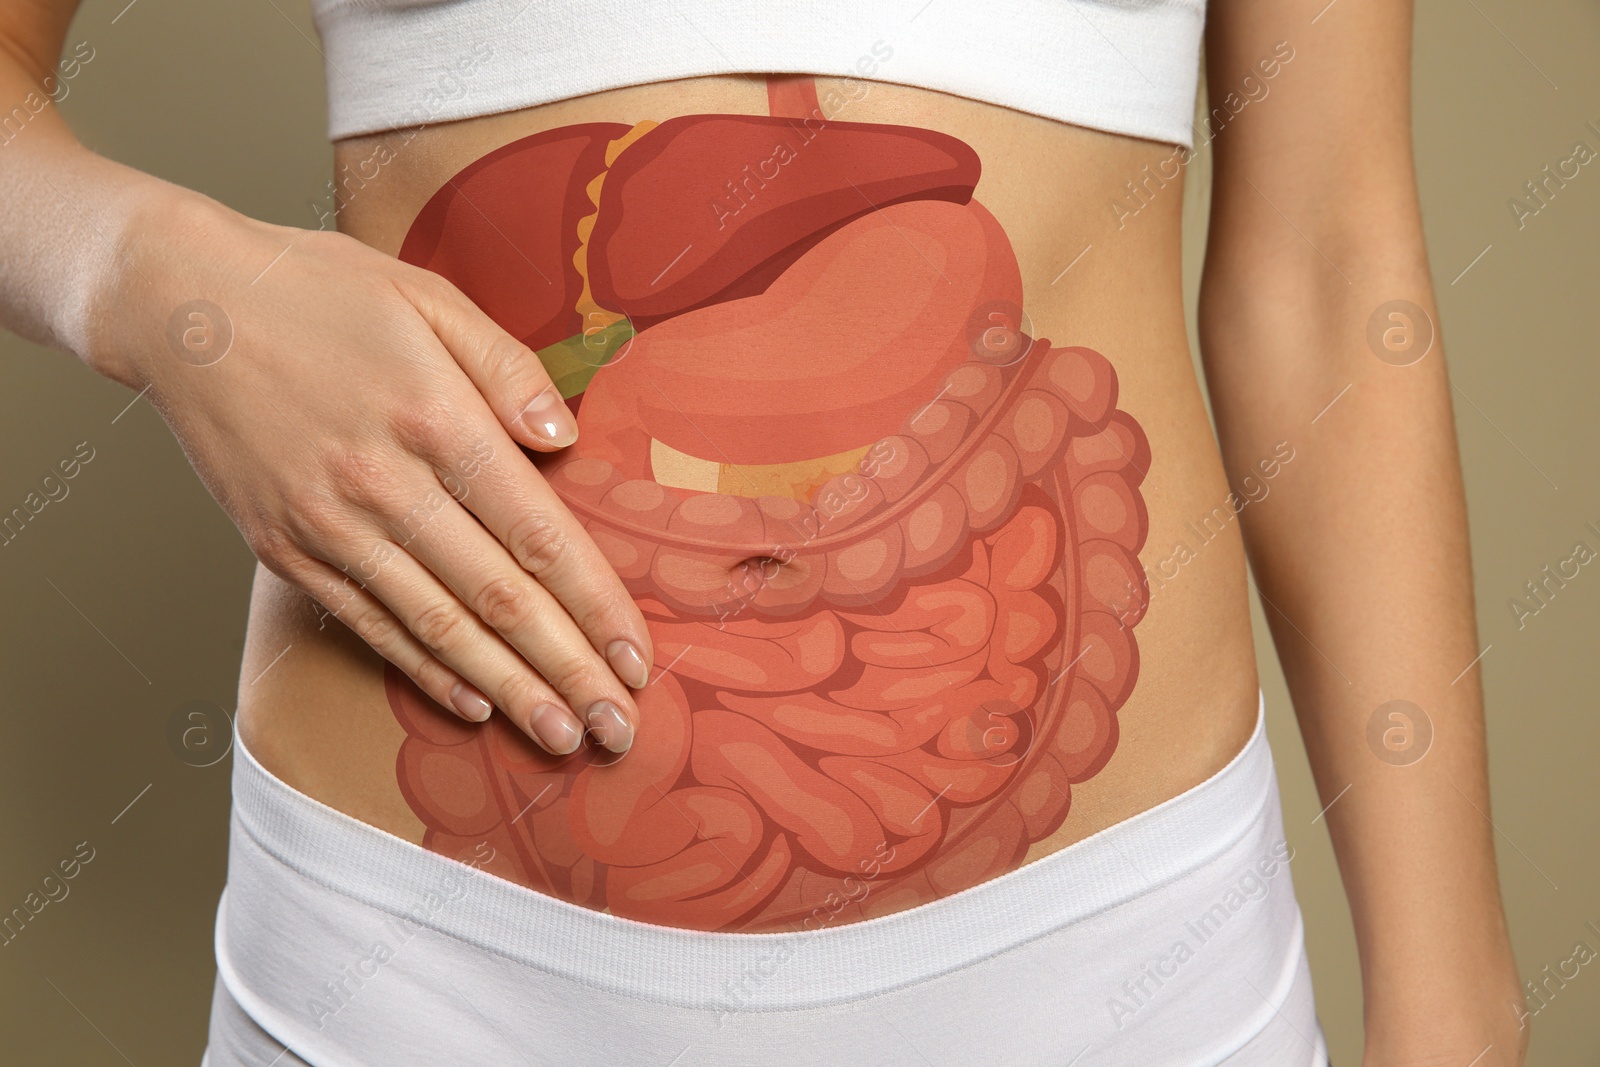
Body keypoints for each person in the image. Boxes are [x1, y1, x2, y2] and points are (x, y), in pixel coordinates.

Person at [0, 0, 1525, 1063]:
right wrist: (148, 278)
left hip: (1119, 968)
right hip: (419, 975)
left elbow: (1325, 271)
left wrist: (1455, 1015)